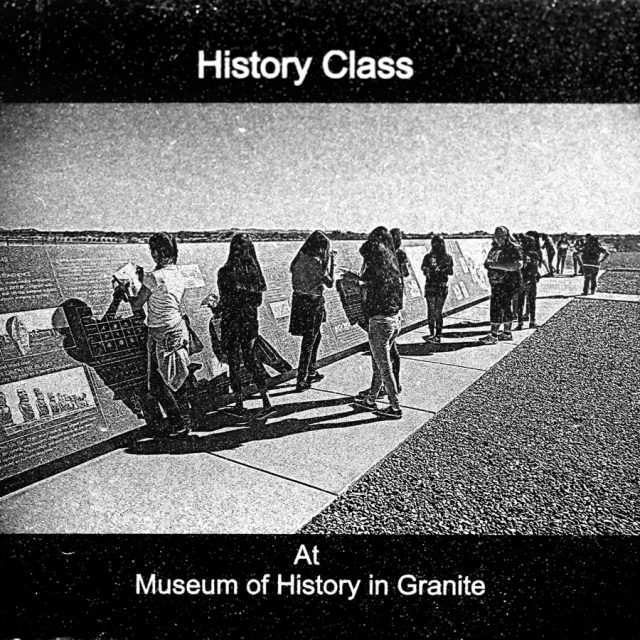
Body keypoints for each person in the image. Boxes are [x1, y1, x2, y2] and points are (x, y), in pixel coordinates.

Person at [127, 232, 191, 437]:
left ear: (156, 252)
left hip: (159, 332)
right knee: (177, 373)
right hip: (176, 327)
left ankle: (178, 422)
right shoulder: (176, 273)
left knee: (156, 382)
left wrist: (127, 287)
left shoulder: (153, 277)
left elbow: (137, 304)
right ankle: (187, 416)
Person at [217, 233, 274, 417]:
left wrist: (215, 305)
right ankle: (266, 401)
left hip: (232, 322)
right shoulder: (255, 273)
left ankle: (240, 403)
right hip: (249, 321)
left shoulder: (225, 272)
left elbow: (225, 302)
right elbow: (257, 301)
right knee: (251, 360)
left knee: (233, 362)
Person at [354, 226, 404, 420]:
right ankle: (371, 400)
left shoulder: (374, 269)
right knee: (378, 362)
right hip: (394, 319)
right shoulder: (392, 267)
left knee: (384, 366)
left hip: (380, 322)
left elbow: (367, 285)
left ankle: (395, 407)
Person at [289, 230, 335, 392]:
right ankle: (302, 378)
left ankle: (311, 370)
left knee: (315, 337)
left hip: (299, 301)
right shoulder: (316, 262)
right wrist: (331, 262)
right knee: (309, 340)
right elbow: (330, 282)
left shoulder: (299, 259)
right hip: (312, 303)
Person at [479, 226, 523, 345]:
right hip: (497, 282)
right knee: (504, 306)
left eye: (501, 236)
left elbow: (518, 265)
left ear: (506, 236)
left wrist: (496, 265)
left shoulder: (513, 248)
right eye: (496, 236)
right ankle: (507, 332)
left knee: (497, 306)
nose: (498, 239)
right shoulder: (495, 248)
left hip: (508, 282)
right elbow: (488, 261)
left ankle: (493, 335)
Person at [421, 235, 454, 343]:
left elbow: (450, 271)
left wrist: (436, 270)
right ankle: (436, 335)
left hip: (434, 285)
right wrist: (431, 270)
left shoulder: (430, 257)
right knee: (436, 311)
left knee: (433, 311)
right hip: (439, 285)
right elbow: (423, 268)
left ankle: (434, 335)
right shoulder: (447, 257)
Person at [514, 234, 540, 330]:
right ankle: (532, 322)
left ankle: (520, 323)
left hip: (521, 280)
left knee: (520, 302)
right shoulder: (534, 254)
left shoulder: (520, 253)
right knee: (531, 302)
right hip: (531, 280)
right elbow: (535, 267)